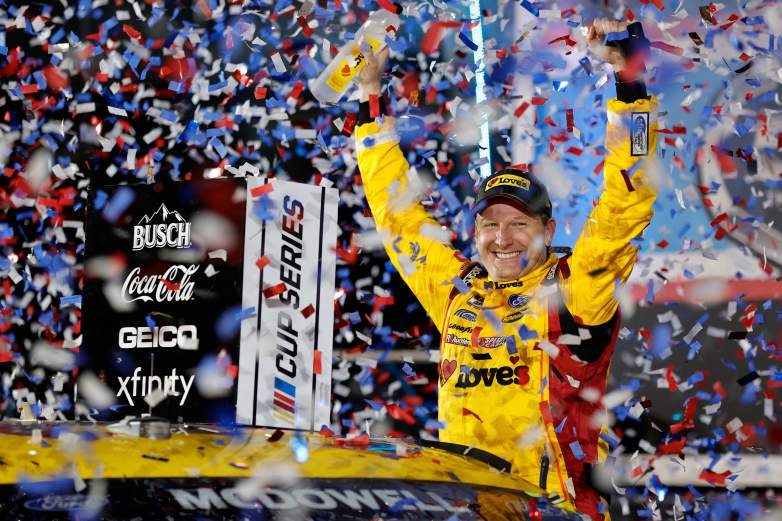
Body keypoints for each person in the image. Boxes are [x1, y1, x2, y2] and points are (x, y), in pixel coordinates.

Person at [354, 18, 657, 521]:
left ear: (548, 227)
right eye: (490, 223)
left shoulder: (575, 292)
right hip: (464, 511)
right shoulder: (457, 292)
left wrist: (630, 86)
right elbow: (398, 217)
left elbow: (629, 200)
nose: (502, 238)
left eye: (519, 224)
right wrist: (371, 98)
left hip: (557, 513)